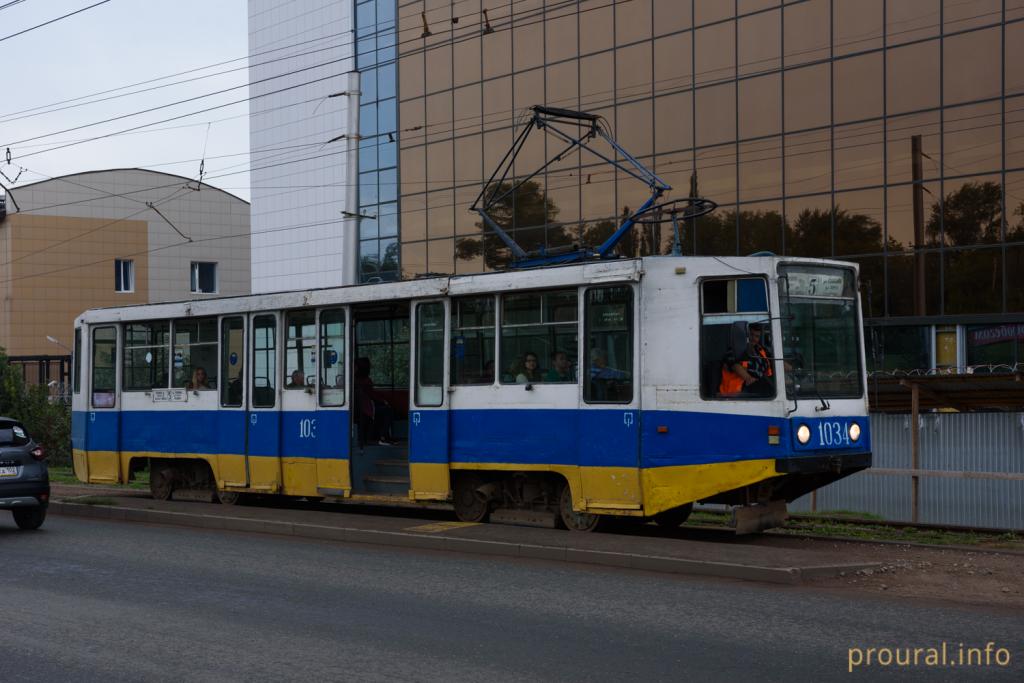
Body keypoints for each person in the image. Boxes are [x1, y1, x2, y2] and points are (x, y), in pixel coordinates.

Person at [719, 322, 773, 397]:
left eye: (757, 336)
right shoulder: (734, 350)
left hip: (757, 390)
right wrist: (749, 378)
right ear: (745, 335)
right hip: (737, 396)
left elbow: (775, 361)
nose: (753, 338)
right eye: (751, 334)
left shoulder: (761, 350)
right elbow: (735, 365)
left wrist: (792, 369)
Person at [354, 357, 396, 446]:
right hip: (366, 409)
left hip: (360, 409)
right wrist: (384, 401)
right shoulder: (365, 381)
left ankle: (384, 436)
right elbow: (372, 395)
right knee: (388, 411)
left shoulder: (353, 380)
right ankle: (383, 436)